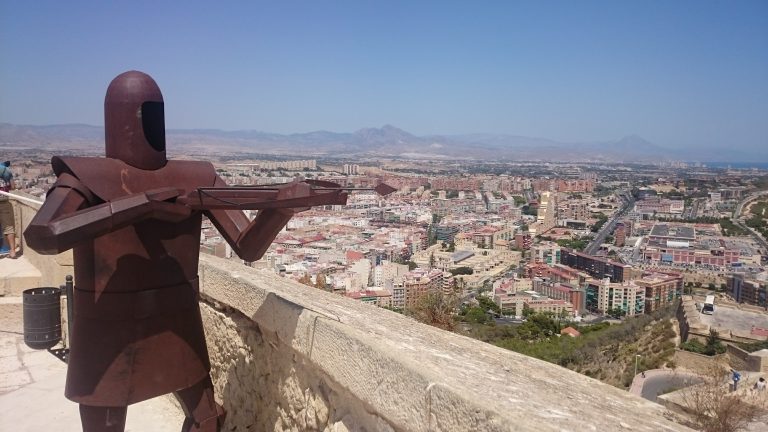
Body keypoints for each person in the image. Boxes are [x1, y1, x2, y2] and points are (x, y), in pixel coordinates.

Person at [24, 71, 315, 432]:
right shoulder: (85, 176)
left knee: (208, 417)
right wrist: (139, 206)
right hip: (108, 325)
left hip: (176, 315)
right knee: (105, 424)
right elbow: (43, 235)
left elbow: (248, 246)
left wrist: (281, 210)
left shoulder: (195, 174)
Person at [0, 161, 18, 259]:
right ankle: (12, 251)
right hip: (4, 202)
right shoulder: (6, 171)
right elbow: (13, 187)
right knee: (9, 228)